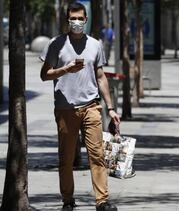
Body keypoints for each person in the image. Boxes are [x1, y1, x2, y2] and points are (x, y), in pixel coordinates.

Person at [39, 3, 120, 211]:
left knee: (97, 154)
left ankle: (102, 201)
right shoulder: (55, 44)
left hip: (91, 106)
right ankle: (67, 200)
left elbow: (101, 77)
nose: (76, 22)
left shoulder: (95, 44)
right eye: (73, 18)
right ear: (67, 20)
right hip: (66, 109)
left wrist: (110, 108)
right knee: (66, 158)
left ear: (86, 20)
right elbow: (44, 75)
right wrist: (66, 69)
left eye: (80, 18)